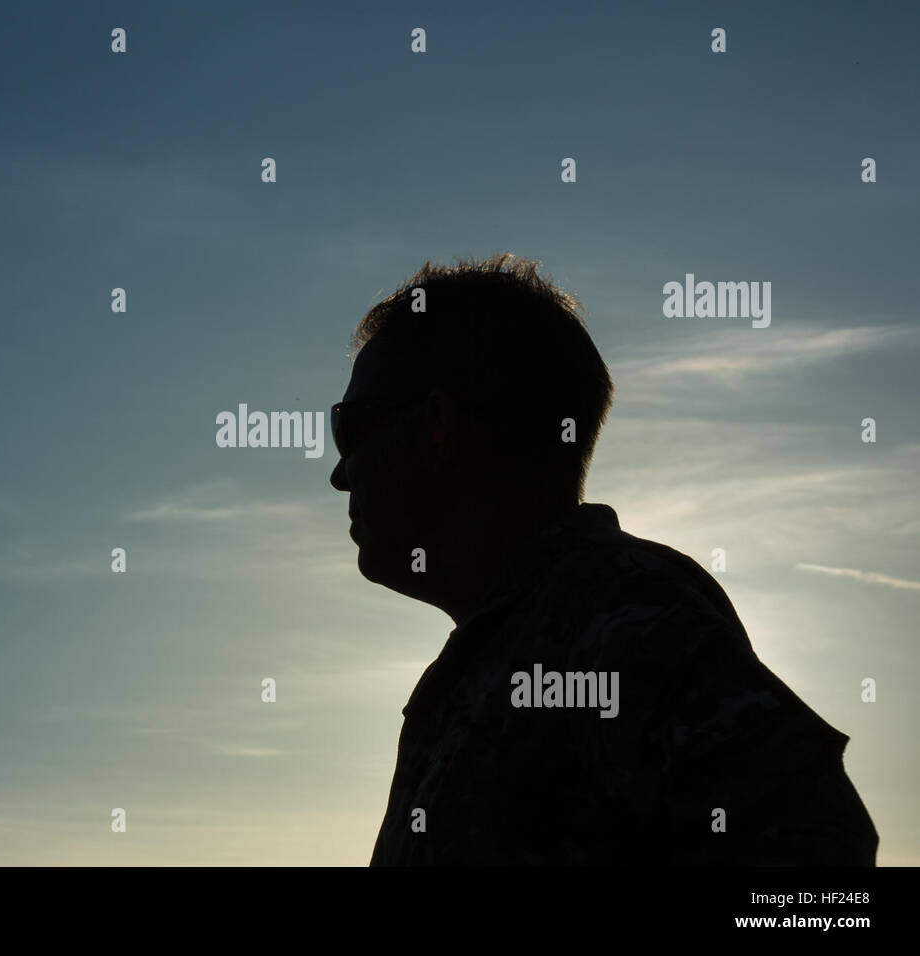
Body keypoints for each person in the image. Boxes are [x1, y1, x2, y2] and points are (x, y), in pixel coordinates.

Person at [329, 253, 878, 865]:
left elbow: (819, 867)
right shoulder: (507, 651)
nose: (338, 476)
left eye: (349, 432)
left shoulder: (622, 616)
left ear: (436, 426)